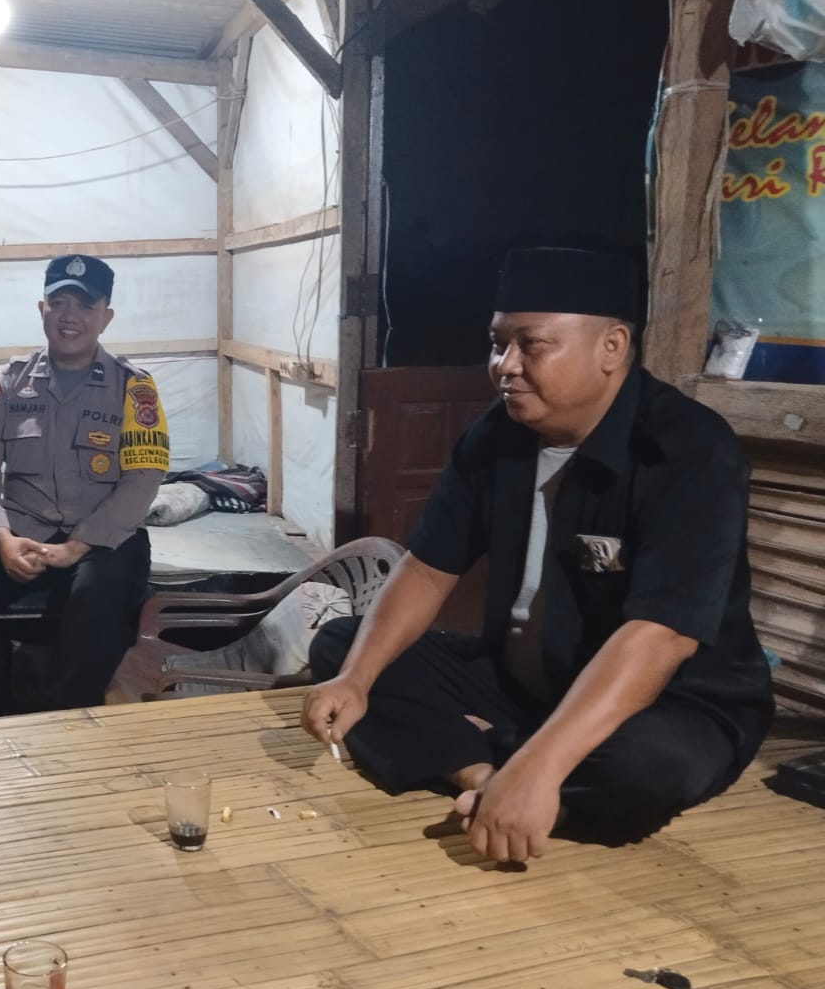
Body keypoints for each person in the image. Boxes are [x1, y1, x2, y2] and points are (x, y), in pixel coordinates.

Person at [302, 246, 773, 864]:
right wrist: (358, 679)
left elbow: (660, 636)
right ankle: (484, 778)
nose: (506, 365)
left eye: (532, 345)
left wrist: (544, 759)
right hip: (525, 684)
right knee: (343, 647)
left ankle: (517, 767)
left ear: (611, 347)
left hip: (668, 699)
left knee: (651, 766)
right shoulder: (495, 437)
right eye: (497, 344)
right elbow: (427, 570)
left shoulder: (688, 449)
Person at [0, 254, 169, 716]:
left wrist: (76, 547)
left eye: (84, 305)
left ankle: (65, 717)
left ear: (106, 316)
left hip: (99, 538)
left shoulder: (134, 388)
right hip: (20, 531)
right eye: (58, 303)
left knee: (100, 590)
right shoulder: (8, 383)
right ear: (42, 309)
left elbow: (144, 477)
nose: (69, 315)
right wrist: (2, 540)